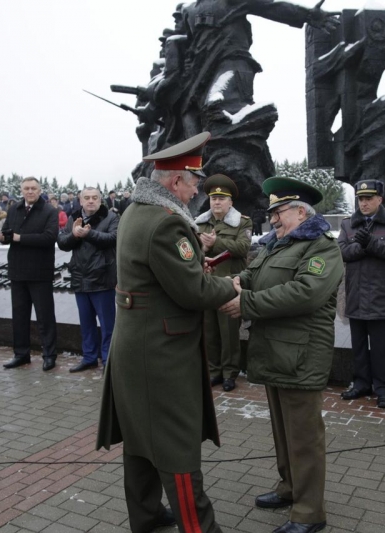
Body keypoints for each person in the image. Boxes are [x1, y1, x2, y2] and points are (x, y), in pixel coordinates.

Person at [96, 132, 236, 533]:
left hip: (136, 346)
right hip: (161, 353)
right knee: (176, 449)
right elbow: (194, 291)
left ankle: (147, 516)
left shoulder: (135, 212)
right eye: (194, 183)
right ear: (176, 182)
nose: (197, 192)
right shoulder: (165, 223)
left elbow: (160, 277)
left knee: (141, 442)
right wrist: (232, 287)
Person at [218, 176, 341, 533]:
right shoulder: (277, 245)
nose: (272, 218)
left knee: (304, 437)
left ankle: (309, 513)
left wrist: (248, 303)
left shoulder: (321, 248)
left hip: (301, 356)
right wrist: (238, 283)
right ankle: (289, 488)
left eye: (279, 211)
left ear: (301, 211)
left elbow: (306, 293)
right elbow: (258, 277)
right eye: (271, 212)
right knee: (283, 432)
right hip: (274, 353)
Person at [338, 180, 385, 409]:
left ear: (380, 199)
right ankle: (361, 384)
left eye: (368, 199)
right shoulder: (348, 224)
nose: (364, 203)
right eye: (360, 199)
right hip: (355, 294)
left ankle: (384, 388)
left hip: (379, 295)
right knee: (358, 346)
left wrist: (371, 242)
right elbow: (342, 252)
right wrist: (364, 246)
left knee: (381, 348)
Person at [195, 174, 252, 392]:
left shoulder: (243, 222)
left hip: (229, 284)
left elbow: (242, 248)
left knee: (229, 333)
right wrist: (204, 249)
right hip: (207, 283)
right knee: (209, 331)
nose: (216, 202)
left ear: (231, 202)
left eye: (221, 198)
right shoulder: (200, 222)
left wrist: (216, 242)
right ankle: (214, 371)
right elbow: (192, 250)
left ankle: (230, 373)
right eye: (213, 198)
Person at [0, 177, 59, 371]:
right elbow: (6, 233)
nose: (30, 191)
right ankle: (21, 354)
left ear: (40, 190)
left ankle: (49, 355)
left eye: (33, 188)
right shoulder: (14, 209)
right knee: (19, 316)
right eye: (26, 188)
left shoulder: (49, 211)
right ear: (21, 190)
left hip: (40, 272)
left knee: (45, 317)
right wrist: (3, 237)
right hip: (17, 271)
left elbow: (49, 238)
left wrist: (18, 237)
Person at [57, 187, 118, 373]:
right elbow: (62, 243)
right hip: (80, 278)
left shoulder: (111, 217)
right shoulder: (73, 218)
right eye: (87, 198)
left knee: (108, 325)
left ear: (100, 200)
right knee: (86, 323)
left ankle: (109, 359)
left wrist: (88, 234)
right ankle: (90, 357)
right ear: (80, 201)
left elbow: (114, 238)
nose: (91, 201)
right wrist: (75, 234)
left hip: (102, 279)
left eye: (94, 198)